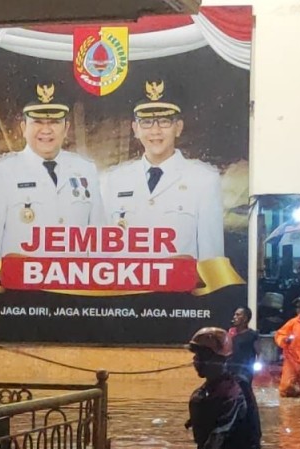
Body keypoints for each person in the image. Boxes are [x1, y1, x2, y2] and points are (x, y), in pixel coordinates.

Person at [0, 81, 106, 291]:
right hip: (21, 293)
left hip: (75, 290)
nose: (46, 129)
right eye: (37, 121)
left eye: (54, 121)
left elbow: (99, 238)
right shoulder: (3, 170)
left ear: (66, 128)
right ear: (24, 128)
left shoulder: (85, 169)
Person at [101, 79, 242, 295]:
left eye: (164, 121)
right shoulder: (113, 180)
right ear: (135, 129)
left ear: (178, 127)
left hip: (179, 302)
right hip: (124, 301)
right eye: (147, 122)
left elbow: (210, 258)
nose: (155, 130)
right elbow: (104, 253)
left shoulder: (203, 180)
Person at [185, 327, 262, 449]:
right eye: (196, 355)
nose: (196, 360)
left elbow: (216, 439)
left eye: (202, 355)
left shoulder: (234, 391)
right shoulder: (203, 393)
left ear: (220, 359)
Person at [226, 307, 260, 383]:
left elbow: (259, 353)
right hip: (230, 371)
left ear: (245, 319)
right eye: (235, 315)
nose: (234, 317)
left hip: (244, 373)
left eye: (238, 315)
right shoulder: (230, 333)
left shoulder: (252, 335)